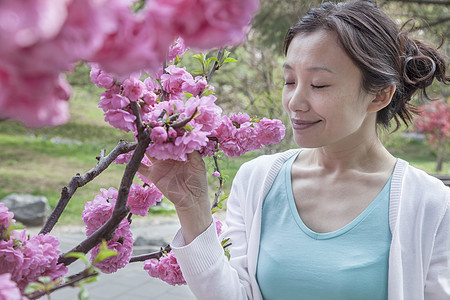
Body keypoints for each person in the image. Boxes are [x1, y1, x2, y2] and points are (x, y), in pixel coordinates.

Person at [139, 0, 450, 299]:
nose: (295, 103)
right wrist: (192, 208)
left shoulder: (429, 204)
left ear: (379, 96)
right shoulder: (257, 181)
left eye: (319, 85)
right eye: (289, 81)